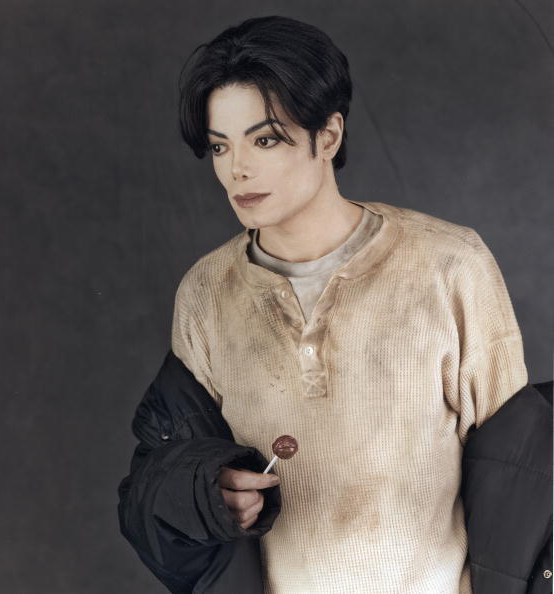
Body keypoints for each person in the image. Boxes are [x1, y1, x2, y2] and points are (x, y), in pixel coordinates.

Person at [118, 15, 541, 594]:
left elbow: (520, 476)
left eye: (265, 139)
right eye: (220, 146)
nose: (237, 168)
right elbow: (161, 474)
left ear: (329, 135)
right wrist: (207, 494)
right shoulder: (206, 292)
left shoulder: (449, 265)